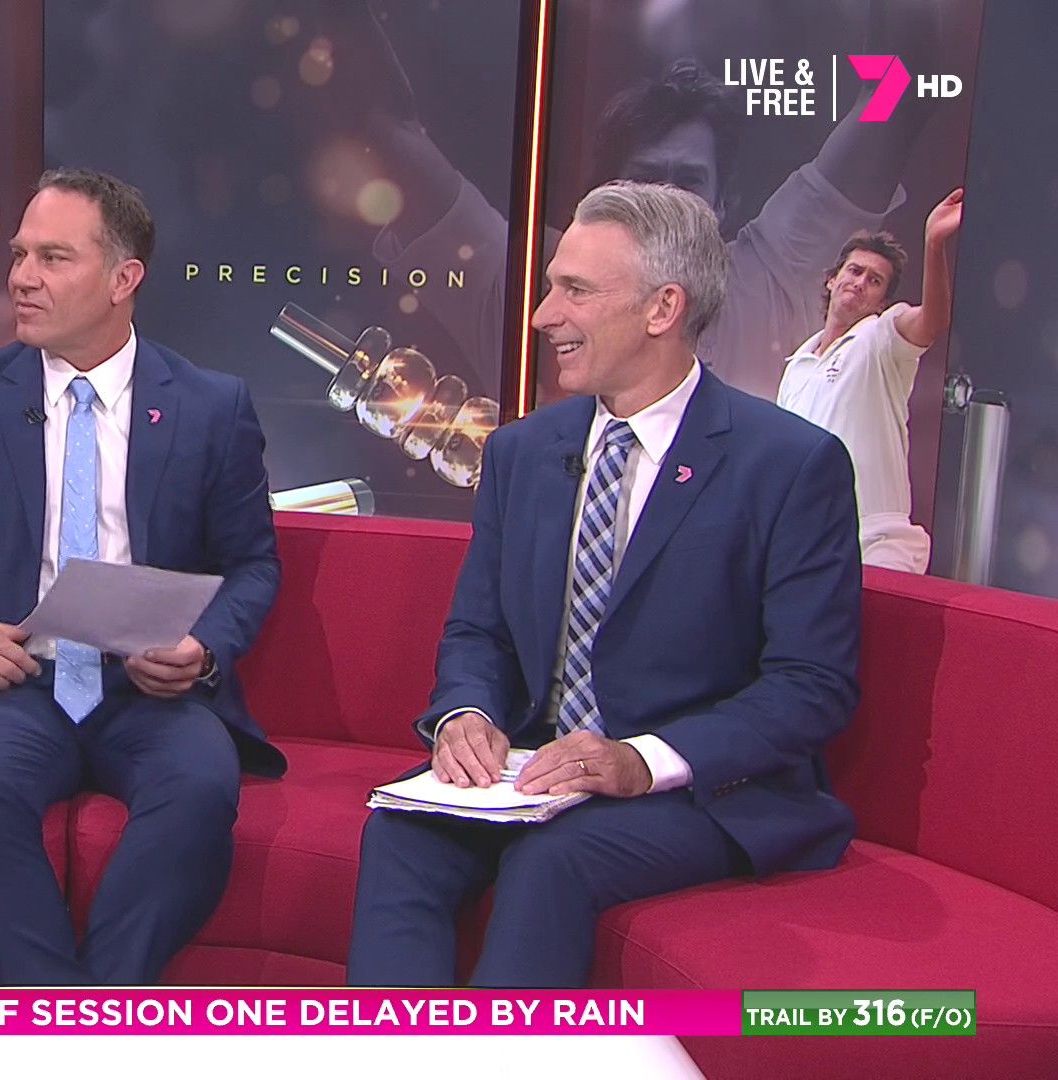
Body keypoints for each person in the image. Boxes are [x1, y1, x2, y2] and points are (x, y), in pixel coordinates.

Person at [347, 182, 862, 988]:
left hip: (700, 787)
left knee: (554, 860)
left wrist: (638, 761)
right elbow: (479, 631)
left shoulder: (789, 464)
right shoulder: (522, 452)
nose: (542, 316)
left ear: (663, 308)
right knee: (400, 836)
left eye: (575, 291)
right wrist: (466, 714)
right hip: (534, 769)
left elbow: (810, 685)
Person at [0, 168, 283, 985]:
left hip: (150, 691)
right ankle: (49, 1016)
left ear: (123, 279)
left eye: (54, 258)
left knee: (201, 788)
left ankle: (93, 1014)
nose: (22, 277)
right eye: (20, 254)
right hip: (16, 687)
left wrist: (204, 648)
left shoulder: (211, 407)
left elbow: (253, 564)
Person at [345, 0, 942, 400]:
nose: (668, 202)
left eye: (689, 181)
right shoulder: (526, 282)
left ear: (725, 200)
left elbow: (897, 95)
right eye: (647, 179)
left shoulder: (774, 271)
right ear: (602, 196)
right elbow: (385, 130)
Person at [777, 189, 965, 573]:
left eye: (875, 280)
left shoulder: (881, 337)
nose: (860, 282)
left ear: (881, 302)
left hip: (876, 546)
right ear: (831, 280)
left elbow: (931, 321)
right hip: (806, 546)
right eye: (854, 271)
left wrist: (934, 244)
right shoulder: (796, 366)